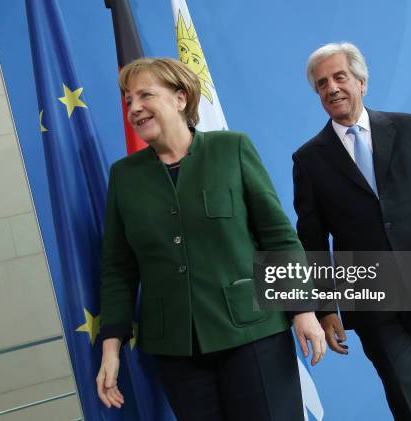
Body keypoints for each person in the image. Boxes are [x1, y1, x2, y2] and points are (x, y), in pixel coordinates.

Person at [96, 57, 325, 421]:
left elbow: (277, 237)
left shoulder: (231, 148)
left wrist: (303, 310)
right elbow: (118, 270)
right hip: (177, 349)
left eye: (144, 96)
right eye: (128, 101)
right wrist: (111, 350)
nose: (134, 108)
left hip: (254, 334)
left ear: (180, 97)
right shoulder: (124, 176)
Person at [293, 43, 411, 420]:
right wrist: (324, 308)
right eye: (322, 84)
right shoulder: (308, 159)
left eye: (340, 77)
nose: (332, 88)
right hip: (369, 297)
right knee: (408, 397)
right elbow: (311, 240)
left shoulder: (408, 128)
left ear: (361, 82)